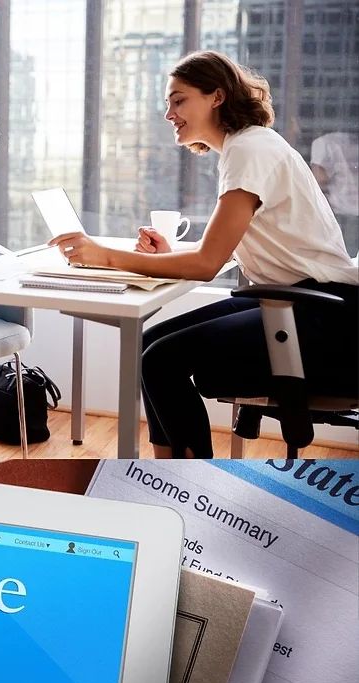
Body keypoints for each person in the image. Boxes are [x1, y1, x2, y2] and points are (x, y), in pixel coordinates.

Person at [49, 51, 359, 459]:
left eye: (178, 100)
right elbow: (223, 247)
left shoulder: (249, 150)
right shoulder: (246, 147)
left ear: (216, 97)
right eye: (167, 103)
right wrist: (172, 251)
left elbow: (207, 266)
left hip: (325, 317)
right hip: (295, 301)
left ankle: (191, 486)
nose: (169, 113)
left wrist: (105, 255)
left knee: (161, 359)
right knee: (149, 343)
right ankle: (169, 476)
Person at [310, 131, 359, 257]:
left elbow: (320, 178)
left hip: (340, 213)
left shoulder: (323, 143)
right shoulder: (353, 139)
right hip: (352, 211)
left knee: (342, 260)